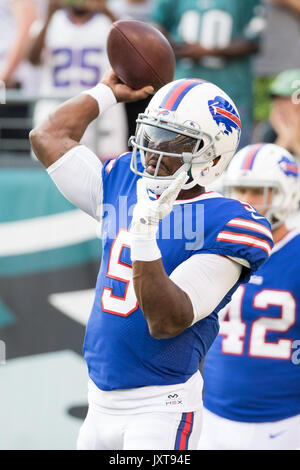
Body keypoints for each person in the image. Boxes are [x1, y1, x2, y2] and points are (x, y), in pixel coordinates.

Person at [29, 71, 273, 450]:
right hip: (98, 401)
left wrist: (144, 234)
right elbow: (47, 137)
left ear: (212, 156)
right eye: (152, 133)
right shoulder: (124, 181)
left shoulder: (228, 222)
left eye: (174, 141)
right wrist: (106, 93)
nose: (155, 150)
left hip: (160, 408)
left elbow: (166, 320)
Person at [198, 142, 300, 450]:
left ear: (288, 194)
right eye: (239, 190)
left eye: (258, 191)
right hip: (211, 413)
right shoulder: (217, 246)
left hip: (282, 419)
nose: (246, 201)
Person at [151, 0, 264, 148]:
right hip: (183, 90)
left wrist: (209, 52)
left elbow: (253, 42)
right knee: (176, 153)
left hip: (230, 91)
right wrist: (176, 47)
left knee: (229, 154)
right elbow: (156, 26)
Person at [28, 0, 127, 160]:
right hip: (56, 110)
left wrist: (105, 10)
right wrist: (49, 17)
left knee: (106, 175)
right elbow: (32, 59)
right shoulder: (51, 21)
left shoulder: (109, 22)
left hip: (103, 115)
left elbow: (130, 49)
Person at [254, 69, 300, 161]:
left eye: (285, 98)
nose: (279, 105)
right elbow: (265, 168)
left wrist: (292, 138)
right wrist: (285, 137)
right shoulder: (269, 131)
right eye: (277, 99)